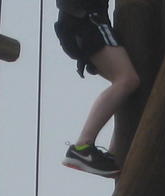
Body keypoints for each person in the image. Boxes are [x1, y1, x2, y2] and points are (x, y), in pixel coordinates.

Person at [54, 0, 140, 177]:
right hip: (87, 20)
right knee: (126, 80)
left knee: (128, 87)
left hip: (78, 22)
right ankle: (82, 147)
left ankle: (115, 153)